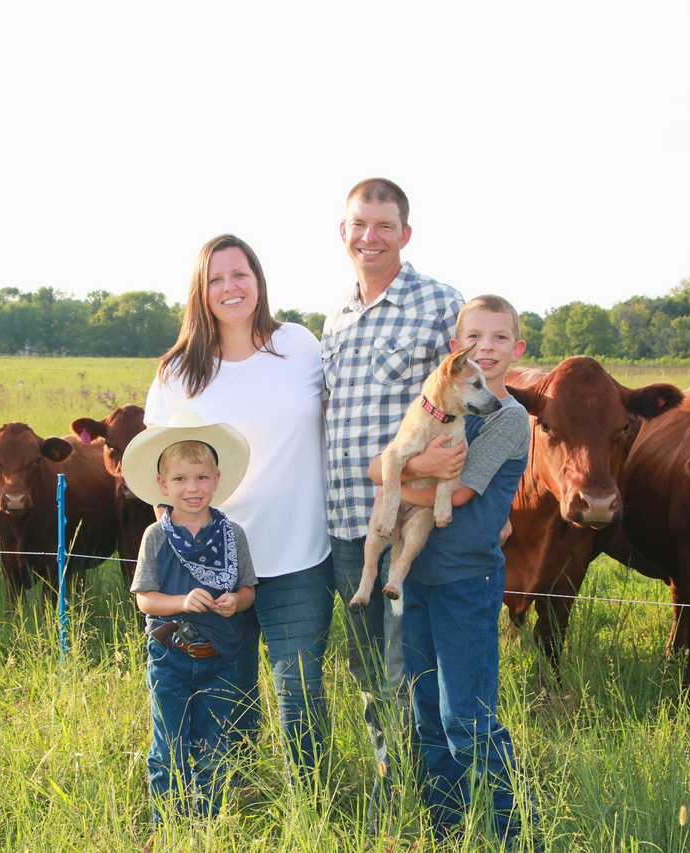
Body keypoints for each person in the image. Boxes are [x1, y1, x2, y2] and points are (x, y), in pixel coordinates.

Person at [144, 234, 334, 786]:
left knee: (298, 689)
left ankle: (311, 806)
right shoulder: (177, 372)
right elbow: (156, 468)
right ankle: (232, 804)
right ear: (200, 293)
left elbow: (344, 417)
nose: (230, 287)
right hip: (211, 563)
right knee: (226, 692)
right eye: (216, 278)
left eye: (240, 274)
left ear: (259, 281)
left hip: (298, 553)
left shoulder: (298, 345)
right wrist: (173, 536)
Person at [321, 177, 466, 821]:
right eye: (359, 225)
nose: (370, 237)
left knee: (412, 665)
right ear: (343, 232)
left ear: (405, 234)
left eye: (384, 226)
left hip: (413, 517)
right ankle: (392, 789)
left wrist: (451, 479)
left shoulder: (440, 304)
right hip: (349, 523)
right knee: (367, 671)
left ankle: (430, 802)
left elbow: (477, 401)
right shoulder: (336, 317)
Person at [370, 295, 531, 845]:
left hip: (468, 580)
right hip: (416, 577)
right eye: (474, 338)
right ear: (455, 351)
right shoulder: (443, 407)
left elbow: (457, 491)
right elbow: (378, 461)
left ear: (517, 348)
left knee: (467, 716)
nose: (486, 348)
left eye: (499, 338)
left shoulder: (508, 419)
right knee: (427, 714)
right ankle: (449, 828)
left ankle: (512, 832)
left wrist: (397, 477)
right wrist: (405, 467)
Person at [122, 414, 258, 825]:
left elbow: (249, 589)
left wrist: (236, 600)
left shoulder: (232, 534)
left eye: (200, 478)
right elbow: (145, 600)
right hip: (171, 657)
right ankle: (167, 828)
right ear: (163, 486)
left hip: (220, 658)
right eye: (180, 479)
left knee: (213, 746)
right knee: (168, 744)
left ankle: (207, 827)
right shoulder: (157, 536)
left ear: (216, 480)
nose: (192, 488)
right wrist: (182, 601)